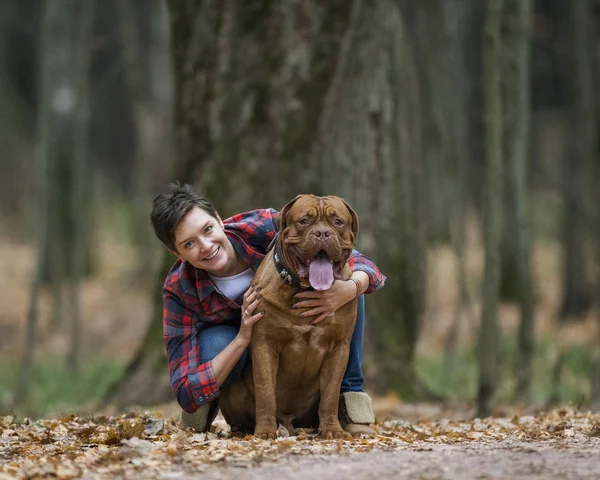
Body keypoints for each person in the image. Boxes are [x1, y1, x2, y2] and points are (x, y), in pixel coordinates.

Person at [150, 183, 386, 435]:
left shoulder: (264, 224)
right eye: (189, 244)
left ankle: (350, 405)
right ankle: (203, 415)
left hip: (289, 351)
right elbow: (184, 389)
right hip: (234, 350)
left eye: (208, 229)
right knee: (214, 342)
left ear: (219, 219)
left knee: (351, 283)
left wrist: (351, 288)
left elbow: (362, 263)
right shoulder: (179, 288)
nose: (206, 245)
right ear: (175, 252)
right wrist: (242, 338)